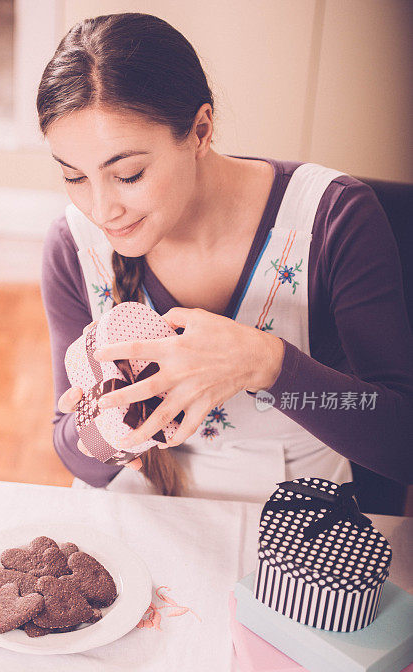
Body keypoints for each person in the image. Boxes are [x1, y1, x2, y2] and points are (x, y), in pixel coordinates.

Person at [37, 12, 413, 502]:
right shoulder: (74, 244)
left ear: (199, 130)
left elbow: (401, 440)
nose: (102, 209)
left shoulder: (332, 219)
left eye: (128, 174)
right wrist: (108, 418)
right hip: (144, 504)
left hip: (300, 511)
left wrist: (268, 365)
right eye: (74, 177)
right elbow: (74, 456)